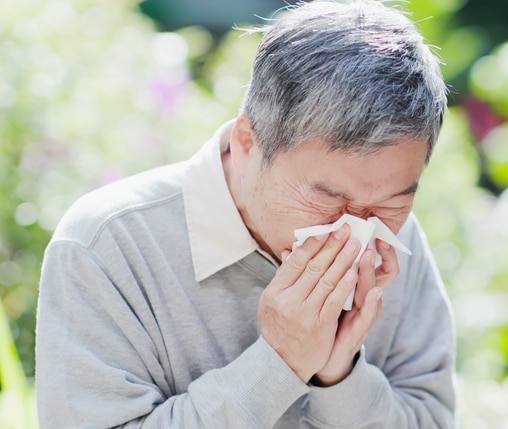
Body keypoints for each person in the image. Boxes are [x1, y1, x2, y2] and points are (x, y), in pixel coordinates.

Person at [35, 0, 455, 427]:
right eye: (329, 198)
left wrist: (340, 376)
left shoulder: (394, 241)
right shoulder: (106, 246)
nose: (357, 230)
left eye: (391, 203)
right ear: (247, 144)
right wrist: (280, 360)